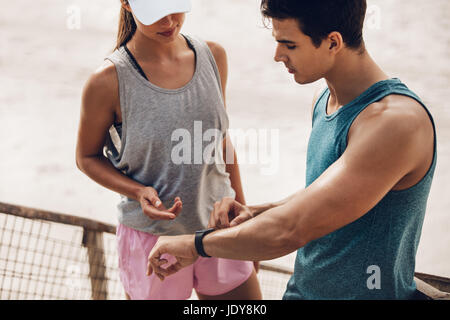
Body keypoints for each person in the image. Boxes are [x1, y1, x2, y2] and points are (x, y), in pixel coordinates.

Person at [147, 0, 437, 300]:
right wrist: (256, 212)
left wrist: (195, 245)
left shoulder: (396, 123)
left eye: (289, 45)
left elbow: (289, 231)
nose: (277, 56)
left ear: (332, 42)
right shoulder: (324, 99)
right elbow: (322, 198)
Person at [75, 0, 262, 300]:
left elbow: (222, 142)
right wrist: (137, 191)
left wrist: (246, 219)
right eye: (155, 11)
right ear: (126, 3)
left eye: (174, 5)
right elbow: (86, 157)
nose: (169, 20)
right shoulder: (107, 82)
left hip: (220, 228)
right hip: (151, 239)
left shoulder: (214, 56)